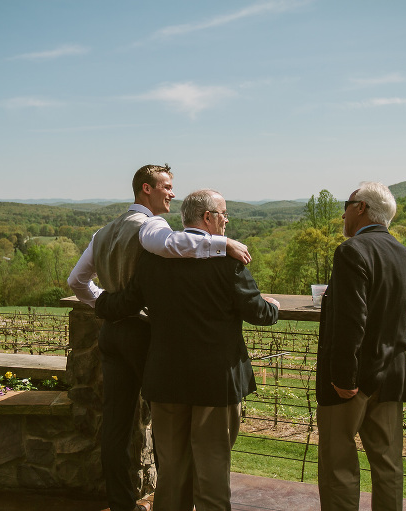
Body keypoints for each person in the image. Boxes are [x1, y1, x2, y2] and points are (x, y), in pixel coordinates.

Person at [67, 165, 251, 511]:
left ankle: (122, 504)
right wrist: (223, 242)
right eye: (166, 186)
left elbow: (76, 281)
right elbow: (170, 244)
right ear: (146, 189)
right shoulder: (150, 226)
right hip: (143, 333)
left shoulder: (102, 232)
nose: (171, 193)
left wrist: (104, 303)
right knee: (171, 423)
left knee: (116, 425)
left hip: (111, 333)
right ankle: (180, 496)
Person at [95, 189, 280, 511]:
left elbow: (125, 302)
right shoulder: (228, 261)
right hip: (215, 383)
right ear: (208, 217)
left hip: (165, 380)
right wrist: (273, 306)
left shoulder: (152, 260)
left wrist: (98, 302)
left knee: (172, 474)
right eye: (223, 214)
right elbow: (258, 313)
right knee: (212, 473)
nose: (226, 221)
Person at [315, 181, 406, 511]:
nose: (342, 215)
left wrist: (343, 377)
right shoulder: (402, 253)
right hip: (392, 374)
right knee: (388, 465)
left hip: (352, 381)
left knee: (338, 465)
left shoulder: (351, 251)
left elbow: (350, 320)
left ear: (361, 208)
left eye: (346, 206)